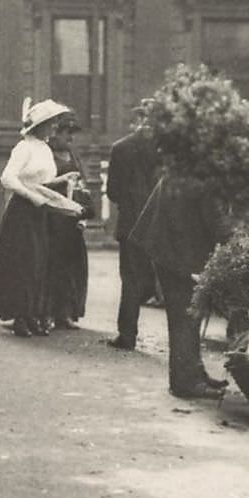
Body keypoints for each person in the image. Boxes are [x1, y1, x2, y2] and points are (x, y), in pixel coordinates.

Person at [0, 99, 83, 337]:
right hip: (22, 212)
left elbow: (41, 181)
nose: (54, 128)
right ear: (38, 126)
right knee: (24, 263)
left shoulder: (43, 148)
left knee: (39, 263)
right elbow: (8, 178)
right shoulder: (24, 148)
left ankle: (32, 314)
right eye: (50, 124)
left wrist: (62, 180)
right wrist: (30, 197)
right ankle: (20, 316)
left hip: (40, 211)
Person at [129, 176, 229, 399]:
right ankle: (186, 383)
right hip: (175, 250)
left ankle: (194, 373)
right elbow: (217, 222)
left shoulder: (197, 162)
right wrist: (236, 241)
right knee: (185, 316)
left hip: (170, 244)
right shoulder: (207, 172)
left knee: (189, 315)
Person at [105, 123, 159, 350]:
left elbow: (112, 191)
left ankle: (127, 334)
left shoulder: (121, 148)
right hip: (160, 222)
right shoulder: (167, 148)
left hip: (131, 223)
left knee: (130, 279)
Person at [45, 112, 92, 330]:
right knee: (51, 265)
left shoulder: (73, 155)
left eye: (72, 134)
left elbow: (82, 183)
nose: (71, 138)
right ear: (55, 133)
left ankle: (66, 313)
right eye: (67, 133)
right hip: (51, 218)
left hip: (71, 219)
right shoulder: (45, 155)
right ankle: (47, 313)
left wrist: (83, 214)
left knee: (72, 266)